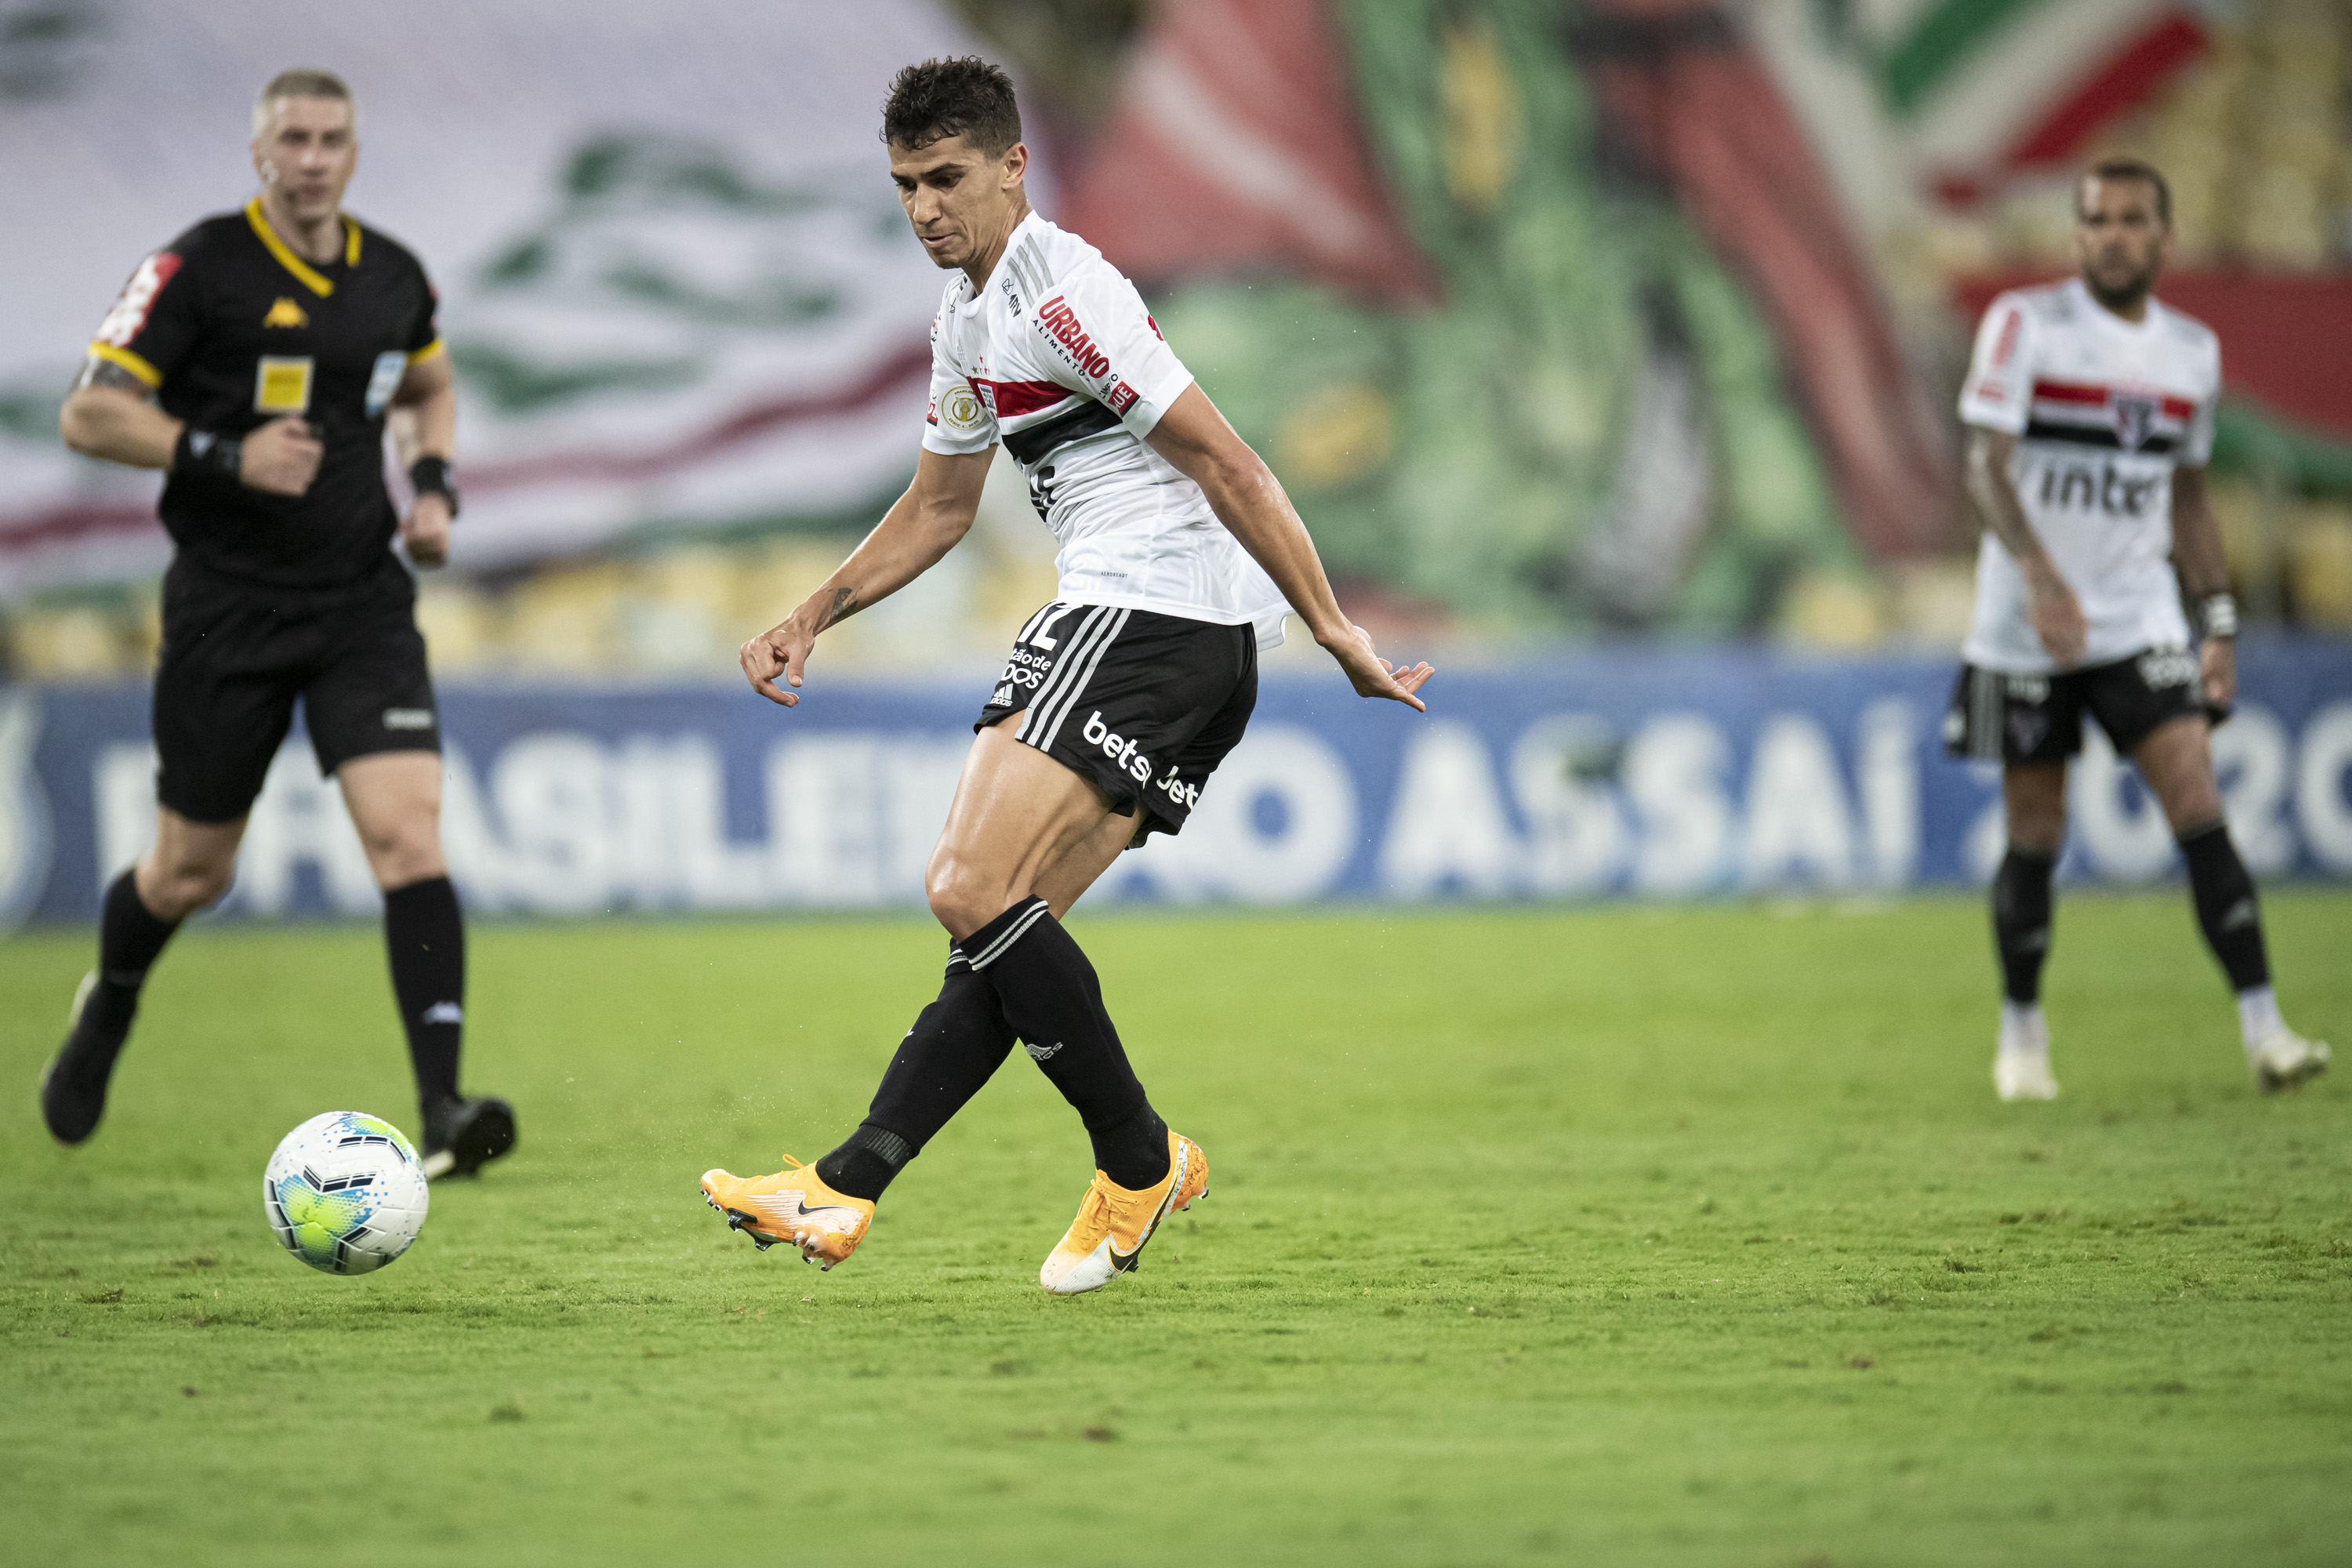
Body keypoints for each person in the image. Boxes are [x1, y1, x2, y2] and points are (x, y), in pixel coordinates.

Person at [700, 57, 1432, 1294]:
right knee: (998, 938)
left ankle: (1138, 1158)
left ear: (1011, 166)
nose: (925, 208)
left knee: (964, 882)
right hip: (1174, 640)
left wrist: (1336, 631)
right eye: (903, 186)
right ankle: (844, 1187)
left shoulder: (1063, 292)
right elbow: (940, 509)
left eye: (946, 179)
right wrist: (813, 612)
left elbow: (1234, 466)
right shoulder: (965, 319)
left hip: (1150, 614)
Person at [39, 68, 515, 1178]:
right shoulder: (198, 267)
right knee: (189, 875)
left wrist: (433, 484)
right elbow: (89, 410)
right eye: (292, 138)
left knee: (408, 835)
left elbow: (429, 386)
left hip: (361, 602)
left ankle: (443, 1110)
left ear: (353, 153)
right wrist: (221, 452)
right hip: (225, 608)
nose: (312, 157)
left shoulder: (391, 275)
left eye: (331, 138)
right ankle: (109, 1003)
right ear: (261, 154)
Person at [1945, 157, 2329, 1102]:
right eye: (2095, 219)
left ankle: (2266, 1031)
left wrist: (2219, 621)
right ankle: (2022, 1033)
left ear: (2163, 237)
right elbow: (1986, 467)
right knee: (2038, 823)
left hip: (2137, 613)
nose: (2111, 234)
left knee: (2196, 793)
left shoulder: (2190, 353)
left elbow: (2189, 498)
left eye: (2130, 219)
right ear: (2076, 235)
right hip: (2026, 622)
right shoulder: (2026, 326)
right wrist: (2040, 578)